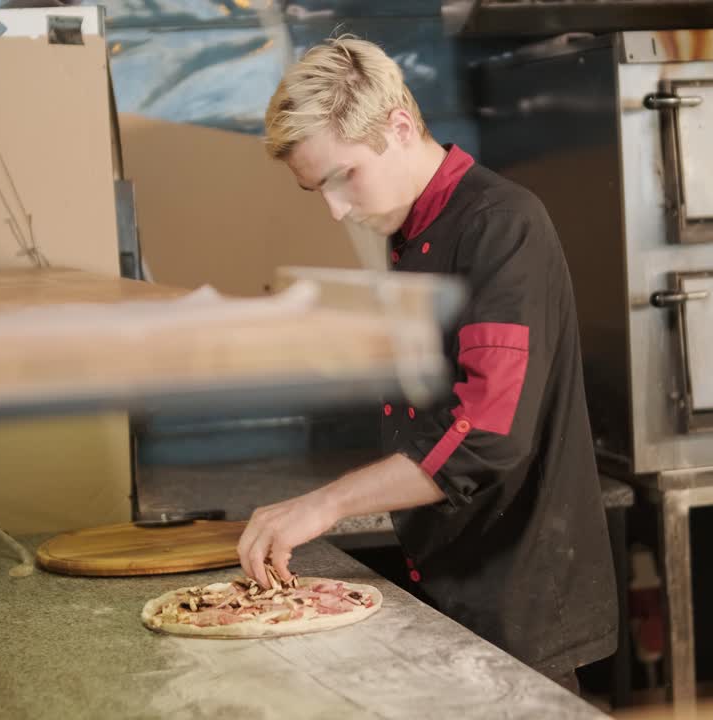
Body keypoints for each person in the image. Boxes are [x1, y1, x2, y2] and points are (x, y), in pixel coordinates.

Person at [236, 35, 617, 693]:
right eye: (316, 189)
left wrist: (325, 505)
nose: (335, 207)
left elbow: (490, 436)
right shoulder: (406, 229)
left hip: (517, 599)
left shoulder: (503, 224)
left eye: (342, 176)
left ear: (401, 126)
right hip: (448, 579)